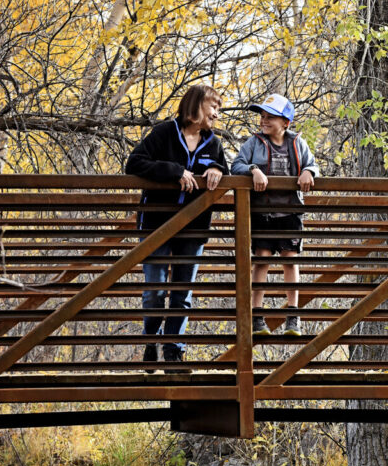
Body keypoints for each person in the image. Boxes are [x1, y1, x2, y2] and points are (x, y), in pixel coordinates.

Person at [126, 84, 228, 366]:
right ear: (196, 105)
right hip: (157, 224)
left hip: (193, 229)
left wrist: (217, 170)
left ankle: (174, 350)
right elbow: (134, 163)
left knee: (182, 293)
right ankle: (150, 341)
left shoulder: (213, 143)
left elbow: (226, 169)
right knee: (155, 293)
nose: (217, 115)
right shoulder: (163, 133)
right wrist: (174, 172)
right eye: (214, 107)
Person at [231, 93, 318, 335]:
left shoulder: (297, 143)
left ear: (286, 122)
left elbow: (313, 164)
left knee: (290, 259)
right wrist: (253, 169)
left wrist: (309, 171)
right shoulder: (253, 143)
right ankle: (257, 316)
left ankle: (293, 315)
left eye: (271, 117)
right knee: (262, 257)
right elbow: (236, 165)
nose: (264, 120)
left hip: (290, 212)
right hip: (262, 212)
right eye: (262, 116)